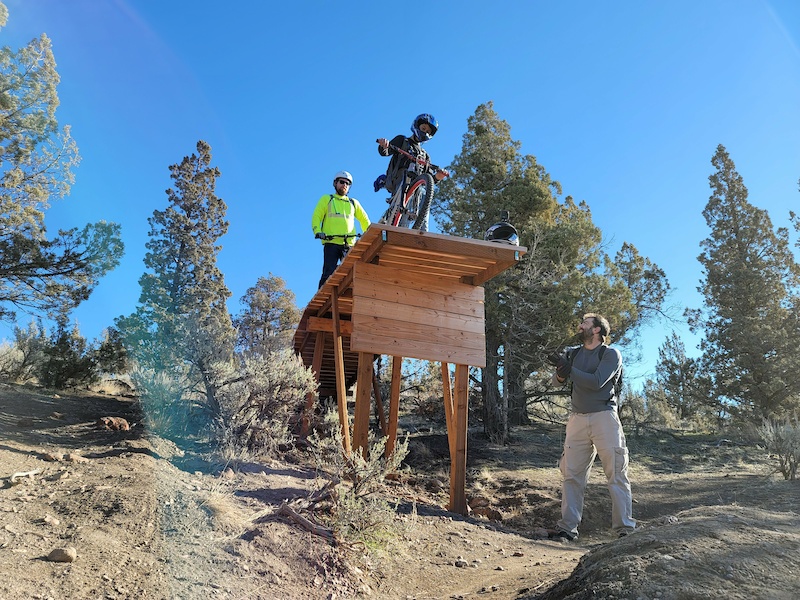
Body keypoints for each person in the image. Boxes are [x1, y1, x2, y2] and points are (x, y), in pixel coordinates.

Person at [549, 313, 635, 540]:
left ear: (597, 330)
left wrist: (569, 370)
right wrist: (561, 371)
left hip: (604, 417)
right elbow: (556, 382)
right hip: (576, 419)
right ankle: (567, 529)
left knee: (616, 472)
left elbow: (597, 382)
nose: (580, 326)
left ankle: (624, 529)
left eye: (585, 323)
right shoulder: (573, 354)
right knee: (571, 475)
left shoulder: (610, 354)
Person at [376, 113, 449, 232]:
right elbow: (386, 151)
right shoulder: (402, 140)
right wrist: (384, 145)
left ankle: (423, 230)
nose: (425, 132)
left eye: (428, 131)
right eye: (423, 128)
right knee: (407, 185)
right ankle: (395, 221)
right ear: (417, 126)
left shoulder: (425, 155)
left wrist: (438, 177)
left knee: (424, 193)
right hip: (399, 180)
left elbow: (429, 179)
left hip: (416, 187)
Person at [311, 171, 370, 289]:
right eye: (342, 182)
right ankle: (323, 297)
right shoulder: (327, 199)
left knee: (352, 272)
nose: (345, 185)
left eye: (348, 184)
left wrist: (368, 234)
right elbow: (317, 216)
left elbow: (364, 220)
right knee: (328, 272)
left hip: (349, 244)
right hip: (331, 242)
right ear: (335, 183)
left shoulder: (353, 203)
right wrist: (317, 231)